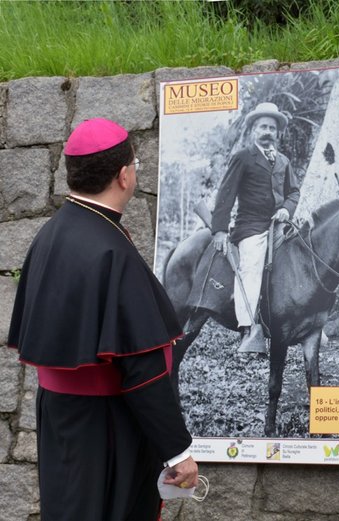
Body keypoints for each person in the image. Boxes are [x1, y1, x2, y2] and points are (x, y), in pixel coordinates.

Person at [8, 118, 198, 520]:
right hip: (107, 427)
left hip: (60, 418)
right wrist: (177, 450)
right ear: (124, 176)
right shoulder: (111, 249)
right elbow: (142, 368)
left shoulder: (49, 234)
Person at [211, 102, 300, 352]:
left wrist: (287, 209)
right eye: (263, 127)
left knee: (302, 258)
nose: (267, 131)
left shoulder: (283, 161)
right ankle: (249, 329)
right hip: (250, 227)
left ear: (277, 132)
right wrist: (219, 229)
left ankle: (305, 320)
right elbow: (226, 193)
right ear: (253, 130)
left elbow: (293, 192)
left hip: (279, 224)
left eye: (272, 127)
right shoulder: (243, 157)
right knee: (251, 267)